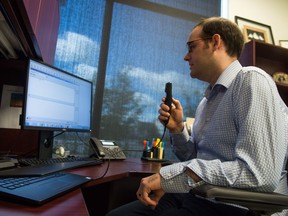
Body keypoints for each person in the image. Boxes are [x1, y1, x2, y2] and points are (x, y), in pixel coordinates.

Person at [106, 17, 288, 216]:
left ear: (215, 42)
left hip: (234, 206)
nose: (186, 57)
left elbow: (258, 174)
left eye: (191, 47)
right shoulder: (205, 102)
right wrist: (178, 131)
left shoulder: (252, 80)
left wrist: (173, 177)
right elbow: (197, 159)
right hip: (198, 196)